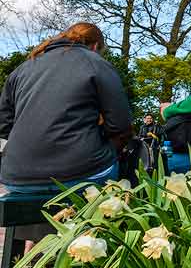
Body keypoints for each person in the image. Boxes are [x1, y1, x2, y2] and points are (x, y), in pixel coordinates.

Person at [0, 23, 132, 194]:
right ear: (95, 46)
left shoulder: (22, 69)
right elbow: (121, 126)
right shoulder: (97, 63)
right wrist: (109, 149)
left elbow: (3, 125)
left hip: (16, 177)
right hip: (80, 173)